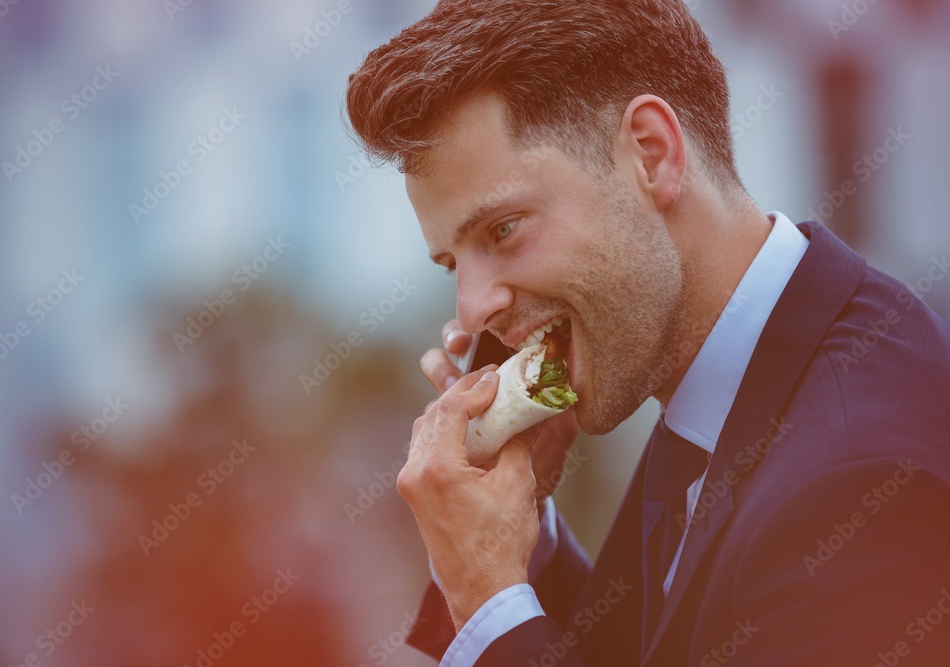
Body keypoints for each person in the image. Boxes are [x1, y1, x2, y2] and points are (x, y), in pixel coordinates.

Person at [344, 1, 950, 665]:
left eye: (503, 229)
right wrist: (516, 541)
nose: (471, 312)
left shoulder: (857, 483)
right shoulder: (711, 380)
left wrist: (489, 606)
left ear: (652, 155)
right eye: (453, 263)